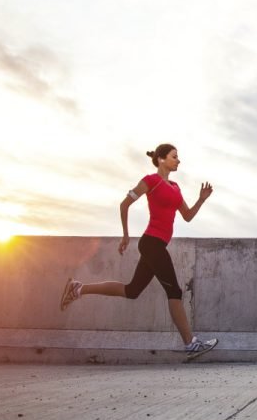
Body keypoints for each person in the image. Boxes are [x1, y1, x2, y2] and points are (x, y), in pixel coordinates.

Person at [60, 143, 217, 354]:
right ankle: (190, 343)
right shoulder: (150, 181)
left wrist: (201, 199)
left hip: (158, 245)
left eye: (178, 157)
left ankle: (78, 289)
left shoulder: (176, 187)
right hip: (151, 243)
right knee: (175, 291)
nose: (178, 160)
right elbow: (124, 205)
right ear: (161, 159)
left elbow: (187, 216)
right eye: (174, 156)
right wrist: (125, 235)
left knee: (132, 290)